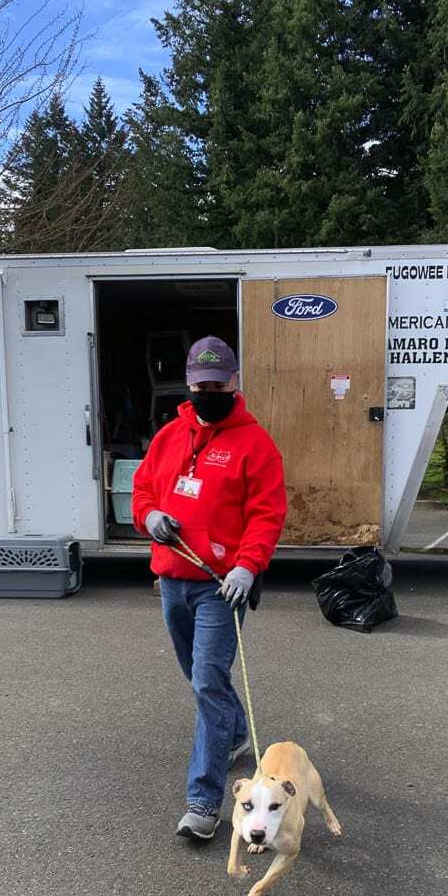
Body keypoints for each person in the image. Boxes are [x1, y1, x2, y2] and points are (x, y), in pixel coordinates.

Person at [132, 335, 287, 841]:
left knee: (205, 681)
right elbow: (143, 490)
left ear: (234, 383)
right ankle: (237, 733)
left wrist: (248, 565)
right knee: (202, 679)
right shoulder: (169, 437)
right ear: (189, 384)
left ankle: (203, 801)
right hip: (172, 581)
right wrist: (150, 516)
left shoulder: (255, 444)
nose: (208, 392)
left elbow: (267, 513)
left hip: (223, 588)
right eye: (200, 385)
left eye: (218, 385)